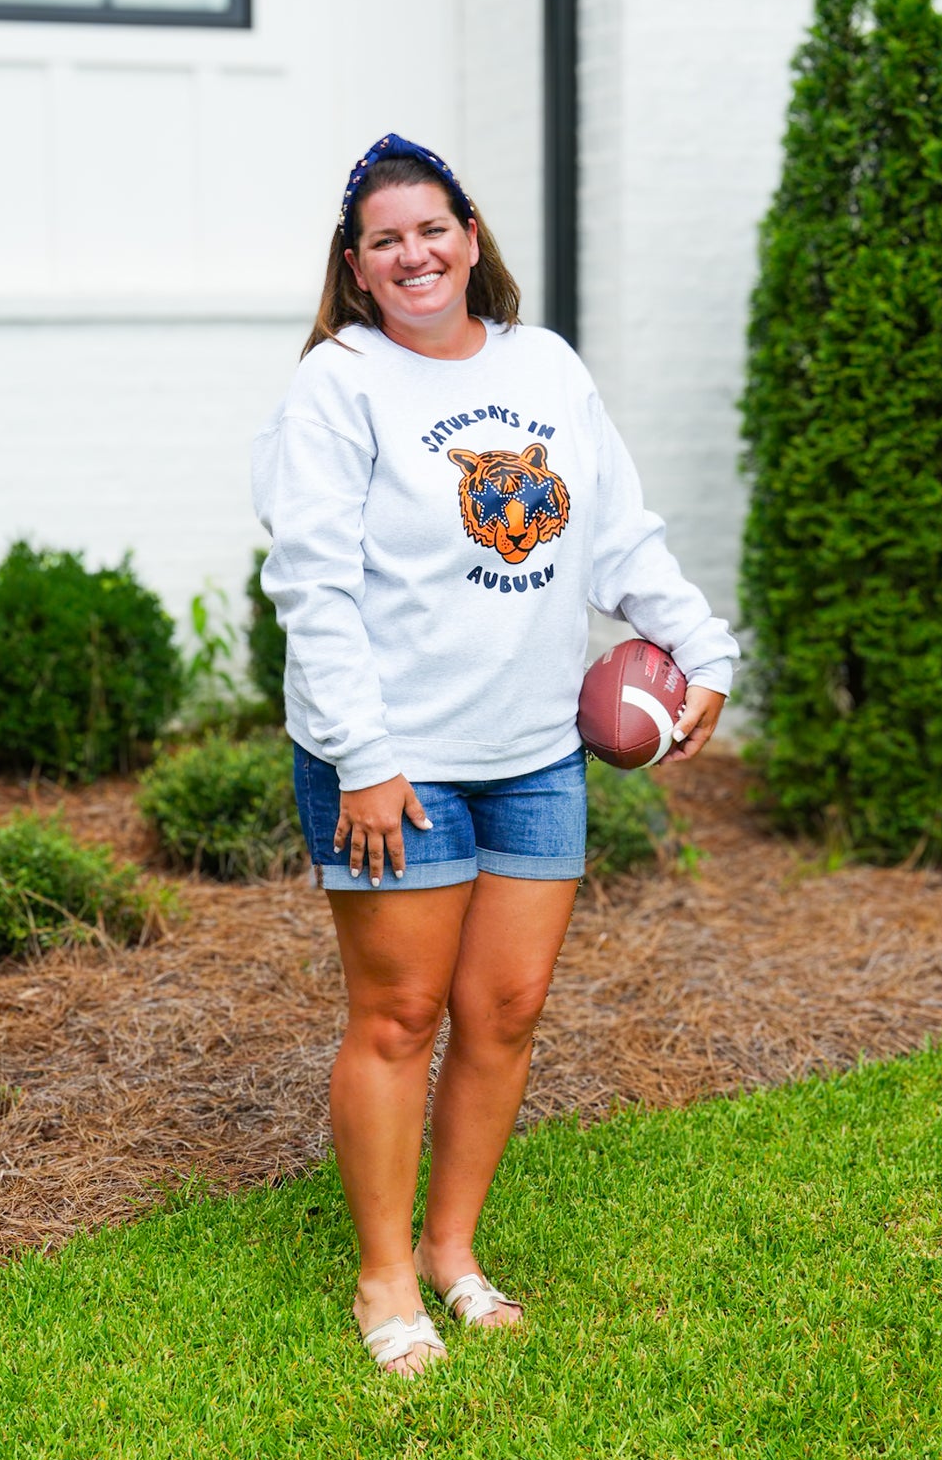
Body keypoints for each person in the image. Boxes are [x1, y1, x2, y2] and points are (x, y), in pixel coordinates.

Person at [251, 133, 738, 1377]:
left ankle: (452, 1250)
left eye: (431, 228)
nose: (411, 253)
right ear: (355, 271)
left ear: (469, 238)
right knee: (400, 1013)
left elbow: (617, 535)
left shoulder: (546, 366)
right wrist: (361, 754)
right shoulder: (338, 385)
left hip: (533, 754)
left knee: (504, 1011)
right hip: (393, 759)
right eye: (382, 240)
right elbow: (311, 587)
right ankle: (381, 1277)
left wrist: (705, 650)